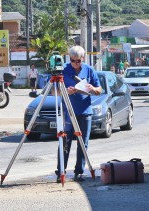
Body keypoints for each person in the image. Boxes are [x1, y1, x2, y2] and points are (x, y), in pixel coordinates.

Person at [55, 45, 102, 183]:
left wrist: (92, 88)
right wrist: (66, 91)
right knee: (65, 142)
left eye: (78, 61)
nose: (75, 64)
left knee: (83, 144)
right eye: (72, 60)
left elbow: (99, 89)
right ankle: (60, 171)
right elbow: (53, 91)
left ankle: (79, 172)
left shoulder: (89, 70)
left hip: (85, 111)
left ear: (83, 58)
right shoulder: (62, 69)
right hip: (68, 112)